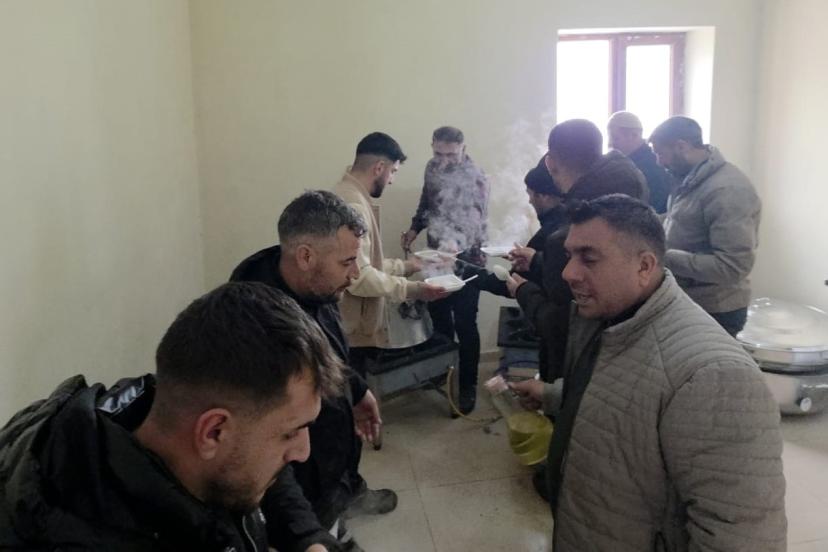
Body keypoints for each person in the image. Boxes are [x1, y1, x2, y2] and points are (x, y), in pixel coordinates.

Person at [511, 195, 786, 551]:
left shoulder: (715, 376)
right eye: (570, 255)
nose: (568, 273)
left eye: (589, 258)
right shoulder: (607, 317)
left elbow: (741, 536)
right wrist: (553, 395)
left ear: (644, 266)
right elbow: (629, 397)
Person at [0, 282, 345, 551]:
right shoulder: (81, 531)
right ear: (213, 432)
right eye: (290, 433)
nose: (303, 452)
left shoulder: (151, 407)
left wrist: (306, 538)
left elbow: (258, 470)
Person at [230, 190, 395, 551]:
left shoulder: (316, 288)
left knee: (335, 516)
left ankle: (342, 522)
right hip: (304, 485)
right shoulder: (258, 332)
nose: (355, 274)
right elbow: (266, 454)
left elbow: (330, 352)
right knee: (322, 526)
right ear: (306, 256)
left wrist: (357, 390)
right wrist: (306, 535)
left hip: (331, 463)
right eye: (347, 262)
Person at [508, 119, 648, 382]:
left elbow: (560, 325)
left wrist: (523, 291)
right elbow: (602, 276)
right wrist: (538, 261)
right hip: (628, 351)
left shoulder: (570, 235)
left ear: (550, 163)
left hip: (580, 364)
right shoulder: (627, 194)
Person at [332, 132, 447, 375]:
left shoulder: (346, 194)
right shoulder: (354, 206)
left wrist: (408, 266)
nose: (392, 180)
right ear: (379, 168)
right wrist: (414, 289)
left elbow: (364, 263)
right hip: (351, 327)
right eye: (393, 172)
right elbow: (359, 277)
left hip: (347, 323)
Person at [400, 126, 490, 413]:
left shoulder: (476, 176)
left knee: (465, 324)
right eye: (439, 153)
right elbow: (426, 204)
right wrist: (414, 229)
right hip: (436, 260)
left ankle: (467, 386)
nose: (444, 161)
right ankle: (441, 371)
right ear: (432, 147)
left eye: (451, 155)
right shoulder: (431, 168)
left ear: (463, 149)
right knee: (439, 318)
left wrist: (456, 246)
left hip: (468, 262)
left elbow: (476, 221)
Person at [650, 116, 761, 336]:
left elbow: (732, 266)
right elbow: (683, 221)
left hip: (716, 310)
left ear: (681, 146)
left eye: (661, 153)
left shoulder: (727, 190)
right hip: (689, 301)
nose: (659, 162)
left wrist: (663, 256)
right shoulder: (690, 179)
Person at [607, 110, 675, 213]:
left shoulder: (654, 163)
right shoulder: (624, 161)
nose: (610, 143)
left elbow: (656, 205)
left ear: (634, 135)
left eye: (615, 138)